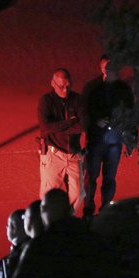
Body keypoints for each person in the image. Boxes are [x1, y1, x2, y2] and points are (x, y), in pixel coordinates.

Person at [82, 55, 136, 220]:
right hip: (96, 139)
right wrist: (94, 121)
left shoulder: (123, 89)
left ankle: (105, 210)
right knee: (91, 176)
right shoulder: (93, 88)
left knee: (109, 178)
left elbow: (130, 113)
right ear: (103, 70)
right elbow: (85, 111)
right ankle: (88, 210)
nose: (113, 72)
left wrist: (131, 138)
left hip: (114, 140)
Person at [37, 68, 87, 216]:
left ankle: (65, 219)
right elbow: (45, 127)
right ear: (53, 83)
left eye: (68, 86)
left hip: (74, 154)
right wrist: (71, 122)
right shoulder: (46, 100)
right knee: (48, 195)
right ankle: (48, 223)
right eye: (61, 86)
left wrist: (59, 128)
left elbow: (84, 125)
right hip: (54, 154)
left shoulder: (78, 99)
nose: (65, 90)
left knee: (78, 193)